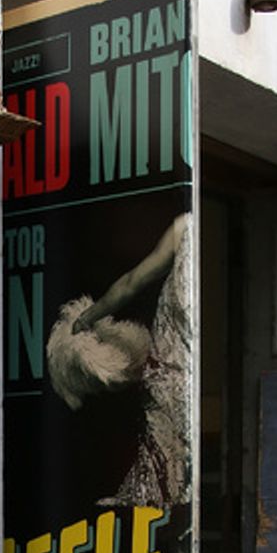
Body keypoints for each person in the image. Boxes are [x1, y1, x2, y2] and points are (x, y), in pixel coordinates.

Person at [70, 208, 192, 507]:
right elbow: (132, 282)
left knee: (176, 441)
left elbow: (132, 282)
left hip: (185, 364)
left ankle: (172, 506)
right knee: (162, 434)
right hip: (169, 363)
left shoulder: (187, 227)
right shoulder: (184, 227)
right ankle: (160, 506)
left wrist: (89, 317)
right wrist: (89, 317)